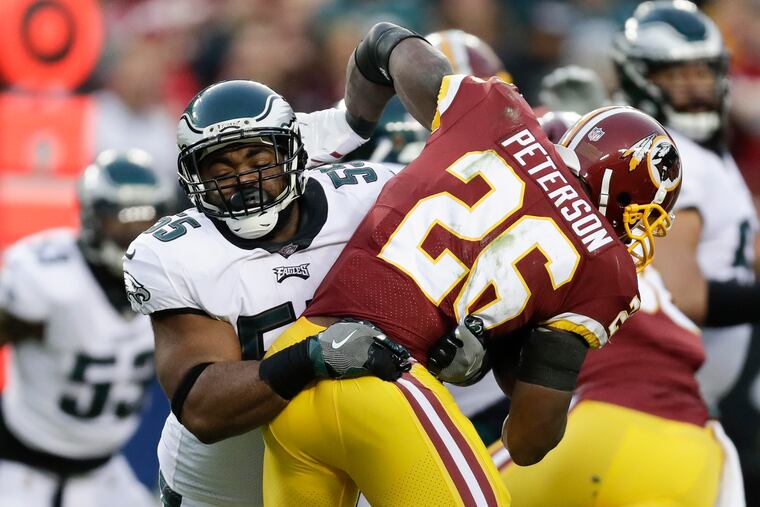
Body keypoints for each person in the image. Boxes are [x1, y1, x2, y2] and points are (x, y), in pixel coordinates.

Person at [261, 22, 682, 506]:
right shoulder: (606, 267)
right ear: (624, 196)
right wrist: (504, 349)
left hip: (297, 361)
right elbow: (528, 441)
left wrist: (352, 122)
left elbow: (388, 41)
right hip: (382, 384)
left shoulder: (498, 111)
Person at [123, 80, 410, 507]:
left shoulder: (367, 197)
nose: (244, 180)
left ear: (293, 154)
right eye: (221, 171)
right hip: (223, 490)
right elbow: (203, 406)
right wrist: (312, 358)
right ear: (194, 177)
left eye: (259, 161)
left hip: (346, 462)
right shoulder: (174, 254)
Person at [488, 111, 746, 507]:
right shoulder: (640, 264)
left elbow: (528, 431)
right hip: (698, 449)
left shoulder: (549, 240)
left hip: (598, 426)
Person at [0, 149, 174, 507]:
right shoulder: (49, 277)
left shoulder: (175, 278)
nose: (134, 233)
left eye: (146, 219)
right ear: (92, 217)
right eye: (120, 219)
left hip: (105, 472)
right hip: (21, 467)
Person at [614, 0, 760, 414]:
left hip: (690, 395)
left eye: (703, 72)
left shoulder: (701, 151)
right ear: (640, 77)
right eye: (676, 75)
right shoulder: (665, 156)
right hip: (663, 398)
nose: (695, 87)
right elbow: (680, 295)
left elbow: (734, 247)